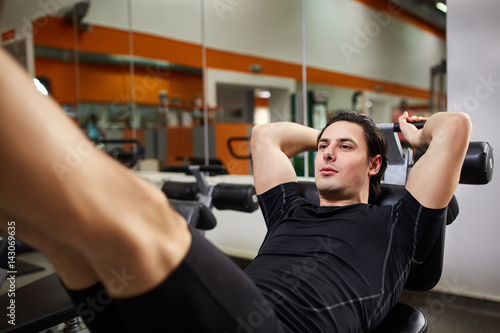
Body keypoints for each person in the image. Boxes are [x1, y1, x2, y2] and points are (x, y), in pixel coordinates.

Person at [0, 46, 472, 332]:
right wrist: (337, 130)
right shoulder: (293, 207)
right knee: (65, 242)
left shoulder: (400, 221)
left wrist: (404, 137)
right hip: (221, 314)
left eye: (343, 148)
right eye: (322, 146)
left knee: (144, 215)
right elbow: (266, 137)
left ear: (375, 164)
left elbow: (455, 128)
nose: (325, 153)